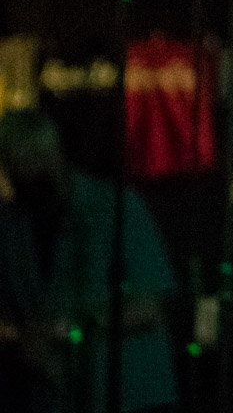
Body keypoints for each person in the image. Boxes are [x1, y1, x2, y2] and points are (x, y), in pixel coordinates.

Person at [0, 107, 179, 413]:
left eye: (36, 167)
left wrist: (62, 329)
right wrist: (25, 344)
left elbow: (149, 306)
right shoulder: (12, 224)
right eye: (18, 171)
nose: (28, 184)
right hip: (55, 395)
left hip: (129, 394)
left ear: (55, 155)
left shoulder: (116, 208)